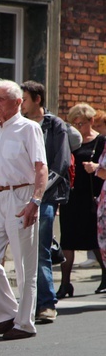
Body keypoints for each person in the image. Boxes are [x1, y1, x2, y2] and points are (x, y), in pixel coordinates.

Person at [0, 79, 48, 340]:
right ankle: (7, 313)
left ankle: (25, 323)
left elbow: (41, 168)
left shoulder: (29, 129)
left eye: (1, 99)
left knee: (24, 264)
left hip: (20, 196)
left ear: (18, 102)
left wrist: (35, 201)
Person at [20, 80, 81, 323]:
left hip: (46, 196)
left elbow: (61, 163)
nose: (21, 104)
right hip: (19, 195)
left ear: (37, 99)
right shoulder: (18, 125)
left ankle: (46, 304)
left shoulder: (54, 125)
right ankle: (28, 304)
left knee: (39, 249)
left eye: (24, 99)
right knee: (26, 251)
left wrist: (40, 191)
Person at [58, 103, 106, 296]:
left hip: (92, 195)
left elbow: (102, 165)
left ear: (91, 121)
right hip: (72, 195)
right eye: (74, 124)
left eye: (82, 123)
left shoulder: (100, 141)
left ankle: (105, 275)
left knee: (94, 239)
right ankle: (65, 283)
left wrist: (94, 166)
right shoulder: (70, 141)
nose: (78, 128)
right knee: (67, 240)